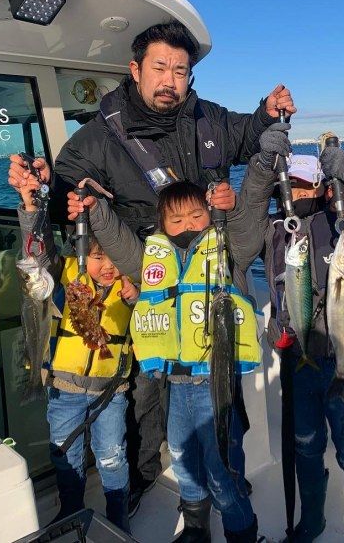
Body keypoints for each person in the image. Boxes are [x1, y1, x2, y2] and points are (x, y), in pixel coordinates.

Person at [41, 19, 296, 516]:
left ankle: (230, 475)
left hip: (212, 278)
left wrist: (267, 114)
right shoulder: (98, 139)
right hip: (148, 281)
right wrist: (53, 197)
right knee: (147, 389)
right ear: (135, 70)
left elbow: (247, 134)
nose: (170, 81)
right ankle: (142, 479)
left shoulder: (207, 119)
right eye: (160, 68)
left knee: (222, 388)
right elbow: (62, 195)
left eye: (180, 71)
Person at [66, 181, 264, 542]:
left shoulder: (229, 251)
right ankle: (195, 530)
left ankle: (242, 533)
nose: (187, 224)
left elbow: (251, 233)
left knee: (222, 471)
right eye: (175, 219)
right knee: (184, 461)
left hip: (215, 385)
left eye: (196, 215)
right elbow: (121, 244)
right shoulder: (152, 259)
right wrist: (96, 210)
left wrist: (232, 208)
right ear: (161, 224)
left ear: (209, 215)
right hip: (175, 384)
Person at [227, 126, 344, 542]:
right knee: (306, 447)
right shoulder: (273, 228)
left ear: (319, 185)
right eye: (290, 184)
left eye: (305, 183)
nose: (297, 192)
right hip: (298, 358)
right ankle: (312, 520)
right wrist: (261, 171)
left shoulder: (341, 225)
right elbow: (240, 243)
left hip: (343, 359)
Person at [8, 157, 138, 532]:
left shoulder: (131, 286)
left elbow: (145, 311)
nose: (107, 267)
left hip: (110, 391)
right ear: (84, 255)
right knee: (65, 454)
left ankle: (118, 517)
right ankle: (70, 511)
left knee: (112, 457)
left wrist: (132, 294)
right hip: (63, 388)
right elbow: (37, 252)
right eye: (97, 257)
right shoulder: (64, 275)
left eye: (113, 257)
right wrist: (31, 205)